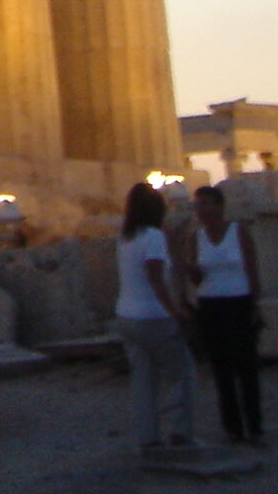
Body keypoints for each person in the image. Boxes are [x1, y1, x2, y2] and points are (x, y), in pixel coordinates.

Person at [113, 179, 195, 452]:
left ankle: (148, 437)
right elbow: (156, 279)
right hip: (152, 316)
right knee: (182, 373)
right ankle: (180, 432)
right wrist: (176, 312)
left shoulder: (125, 237)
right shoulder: (153, 237)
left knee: (143, 379)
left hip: (126, 315)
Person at [183, 184, 265, 444]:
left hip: (239, 302)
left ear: (219, 206)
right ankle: (232, 427)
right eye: (198, 205)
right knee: (221, 369)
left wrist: (256, 304)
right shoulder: (196, 238)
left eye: (206, 204)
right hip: (210, 305)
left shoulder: (238, 232)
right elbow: (197, 279)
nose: (202, 210)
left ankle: (254, 426)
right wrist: (190, 269)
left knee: (246, 367)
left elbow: (251, 268)